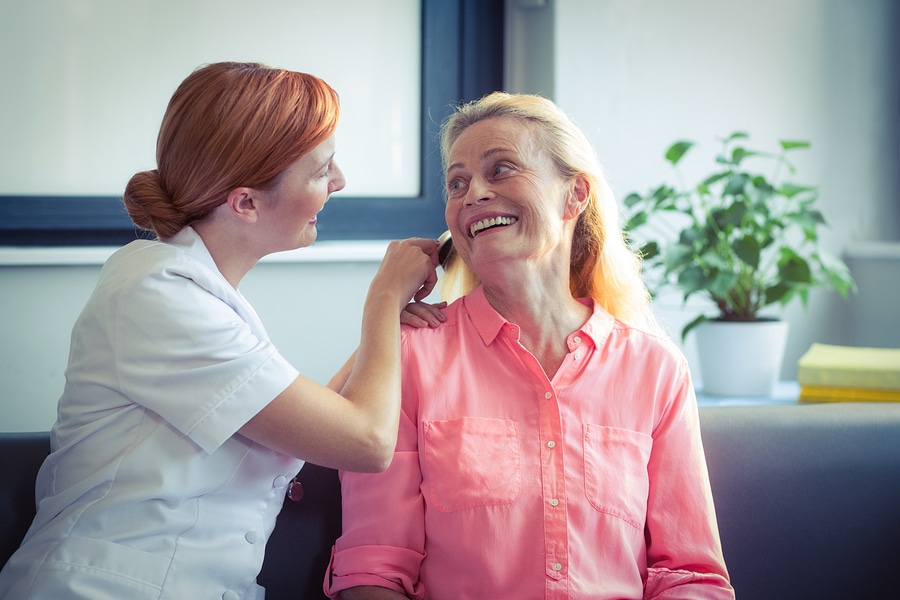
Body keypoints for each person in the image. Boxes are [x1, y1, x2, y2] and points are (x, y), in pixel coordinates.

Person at [0, 62, 439, 600]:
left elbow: (306, 421)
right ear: (246, 203)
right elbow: (366, 442)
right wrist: (382, 299)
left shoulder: (190, 293)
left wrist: (385, 331)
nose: (340, 182)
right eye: (323, 170)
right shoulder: (158, 297)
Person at [324, 92, 735, 599]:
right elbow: (373, 571)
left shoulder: (655, 368)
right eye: (457, 182)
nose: (473, 192)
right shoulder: (412, 356)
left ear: (574, 195)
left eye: (501, 170)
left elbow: (691, 577)